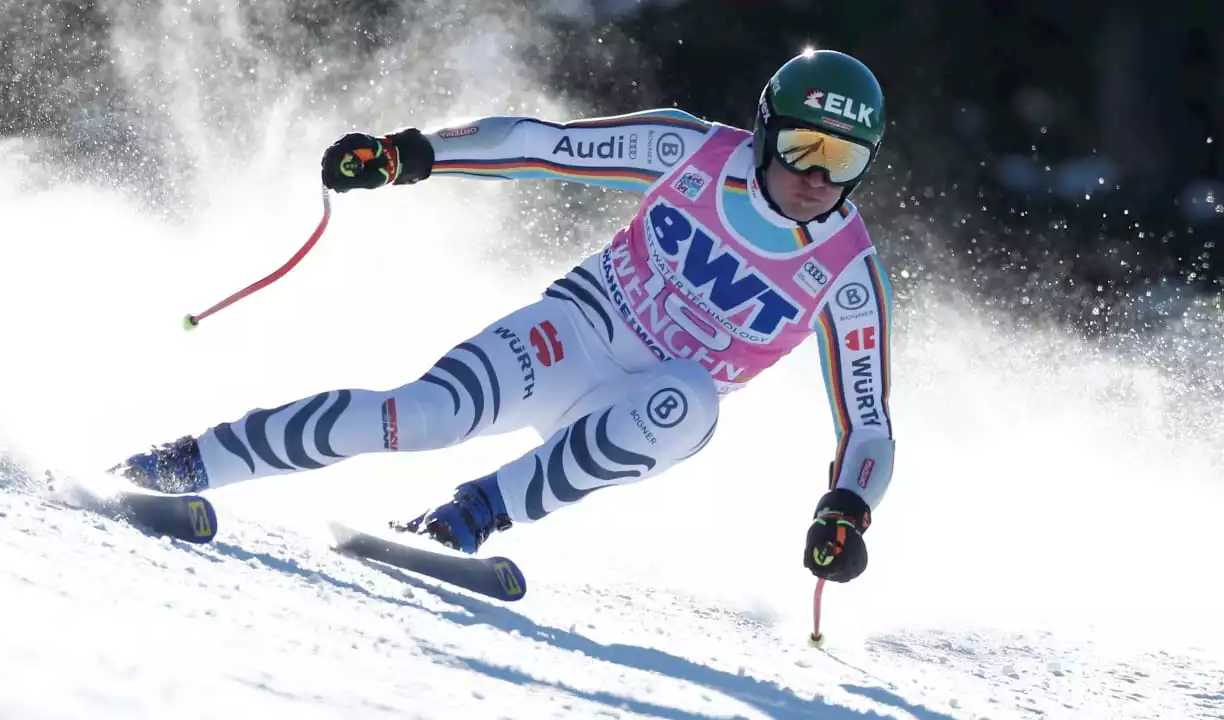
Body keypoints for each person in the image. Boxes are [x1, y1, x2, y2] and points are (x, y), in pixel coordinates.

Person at [113, 48, 895, 584]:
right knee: (419, 413)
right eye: (802, 147)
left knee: (686, 394)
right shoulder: (688, 151)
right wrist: (406, 154)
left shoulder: (847, 274)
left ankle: (466, 518)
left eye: (843, 161)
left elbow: (868, 426)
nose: (816, 178)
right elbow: (538, 145)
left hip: (648, 408)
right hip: (579, 330)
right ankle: (184, 463)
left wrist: (846, 513)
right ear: (764, 131)